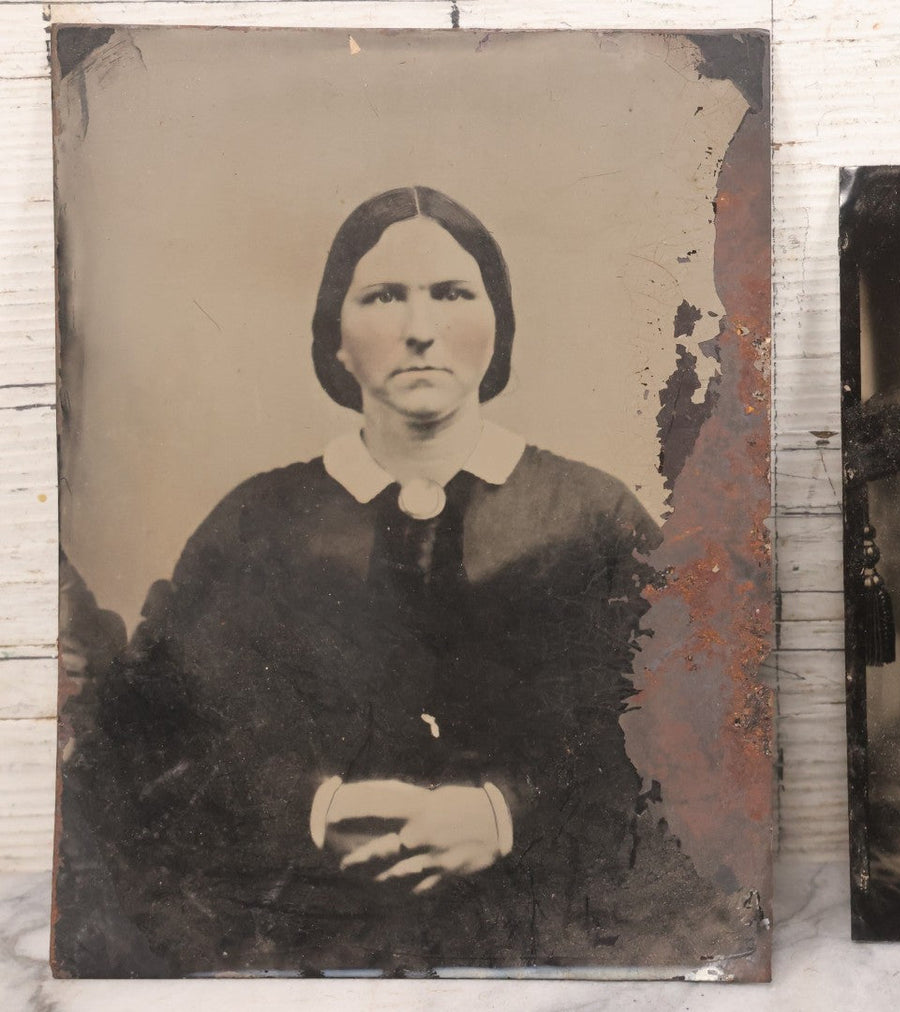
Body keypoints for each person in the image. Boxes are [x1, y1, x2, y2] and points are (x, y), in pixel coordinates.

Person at [60, 186, 743, 974]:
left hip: (553, 940)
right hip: (307, 941)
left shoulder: (590, 516)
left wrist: (504, 814)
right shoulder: (256, 523)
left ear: (498, 326)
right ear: (337, 337)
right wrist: (313, 810)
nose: (420, 330)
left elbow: (683, 728)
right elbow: (167, 734)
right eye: (383, 297)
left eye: (452, 293)